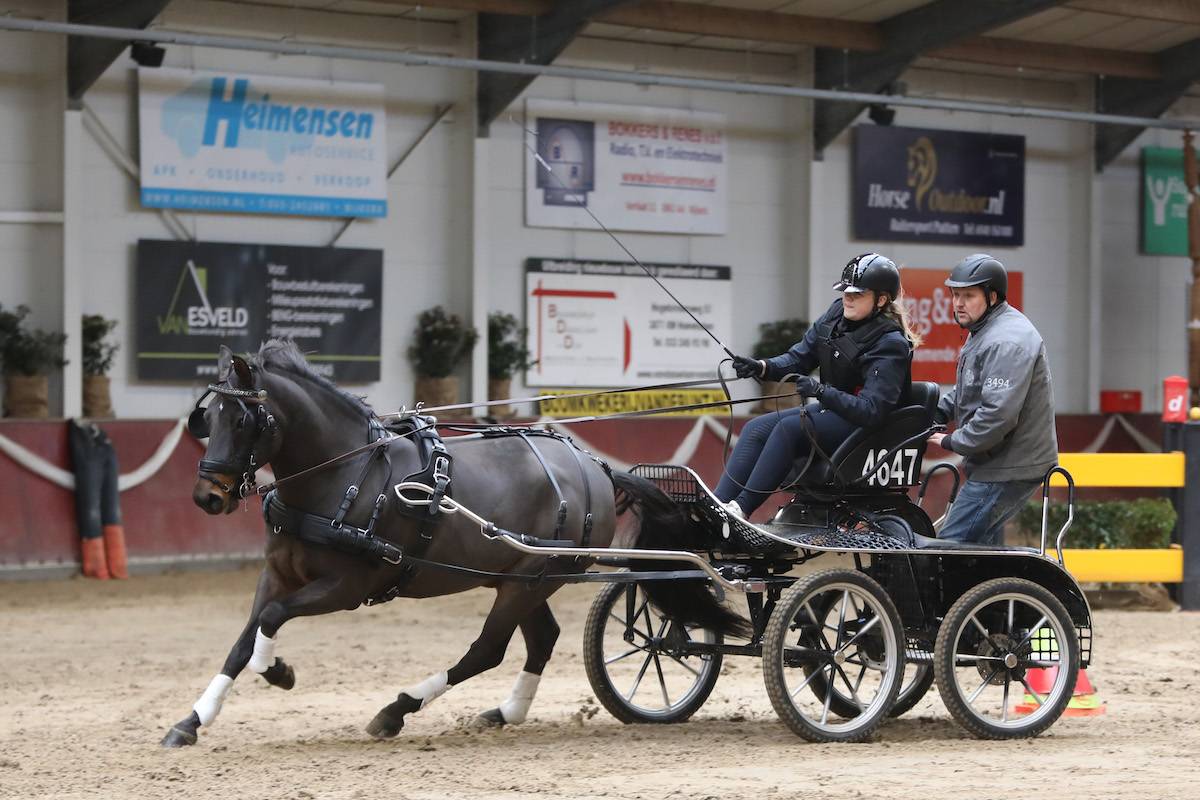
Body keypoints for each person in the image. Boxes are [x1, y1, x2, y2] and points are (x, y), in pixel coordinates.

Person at [719, 253, 922, 519]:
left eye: (858, 294)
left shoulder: (890, 343)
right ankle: (718, 505)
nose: (848, 298)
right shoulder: (835, 315)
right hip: (834, 412)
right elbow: (798, 358)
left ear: (881, 300)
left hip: (866, 426)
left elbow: (872, 411)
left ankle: (740, 509)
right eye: (846, 291)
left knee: (789, 429)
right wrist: (762, 366)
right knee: (755, 428)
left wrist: (820, 391)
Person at [927, 254, 1058, 545]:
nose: (958, 303)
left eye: (968, 296)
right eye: (955, 295)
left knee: (951, 547)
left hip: (1007, 467)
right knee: (983, 553)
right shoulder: (984, 330)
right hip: (997, 462)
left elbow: (998, 415)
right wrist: (934, 411)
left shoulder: (1006, 341)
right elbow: (970, 389)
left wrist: (952, 441)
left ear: (992, 297)